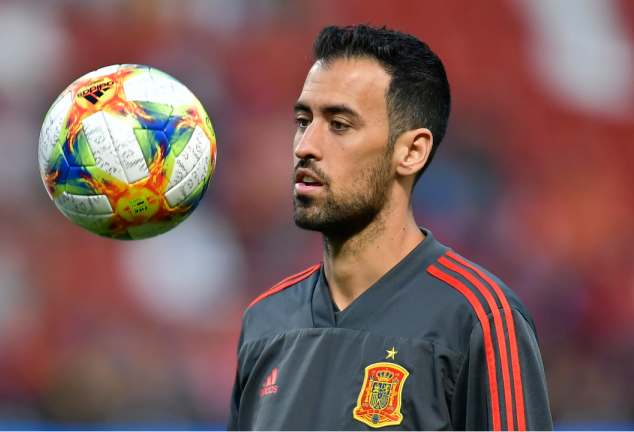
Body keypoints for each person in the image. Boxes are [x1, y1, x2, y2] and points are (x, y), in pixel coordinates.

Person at [228, 24, 552, 431]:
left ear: (412, 152)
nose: (304, 146)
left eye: (339, 124)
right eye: (302, 119)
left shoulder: (480, 319)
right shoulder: (264, 322)